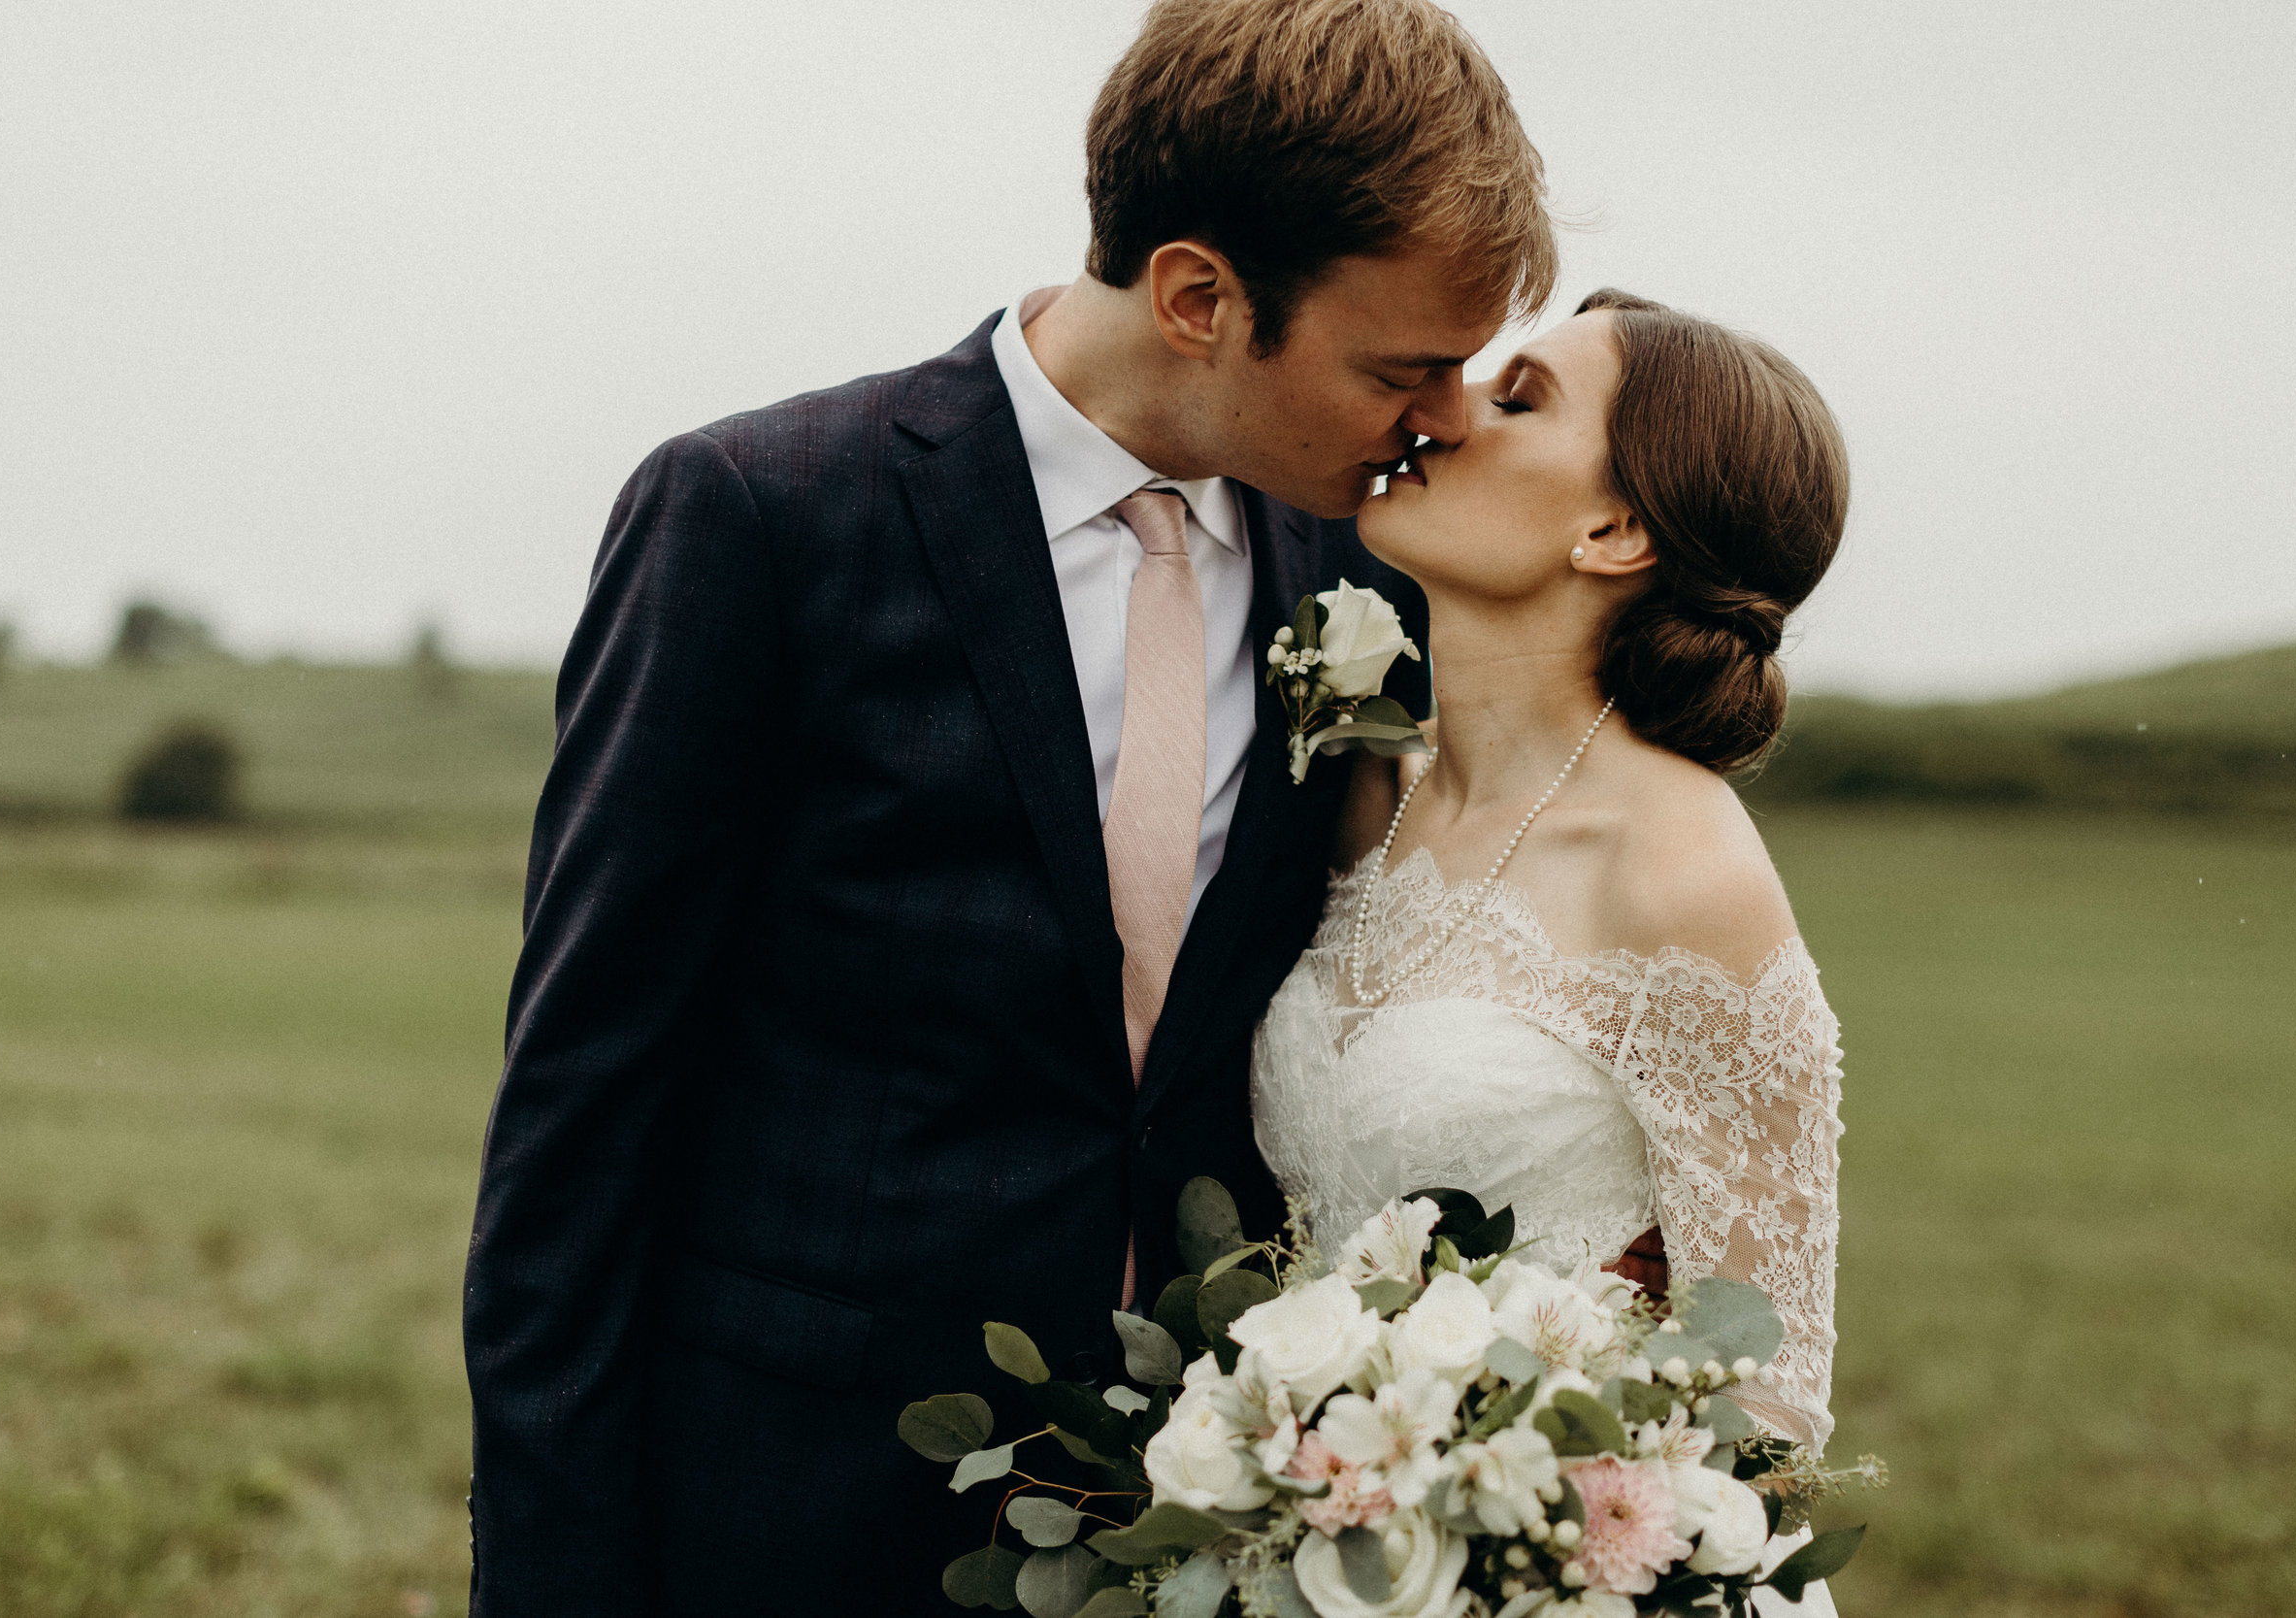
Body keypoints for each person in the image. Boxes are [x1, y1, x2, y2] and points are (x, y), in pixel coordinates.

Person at [458, 2, 1555, 1611]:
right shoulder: (765, 517)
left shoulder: (1363, 570)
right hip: (778, 1508)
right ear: (1197, 296)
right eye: (1408, 366)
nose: (1448, 416)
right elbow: (582, 1100)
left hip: (1197, 1530)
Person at [1251, 289, 1852, 1611]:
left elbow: (1763, 1399)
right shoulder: (1365, 791)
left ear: (1614, 529)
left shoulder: (1682, 870)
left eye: (1517, 400)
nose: (1447, 412)